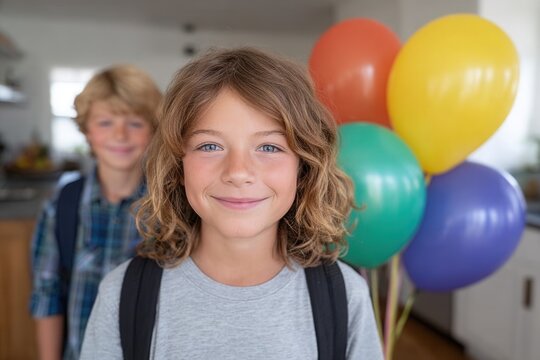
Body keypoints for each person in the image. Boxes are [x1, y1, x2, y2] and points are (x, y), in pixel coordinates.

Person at [80, 48, 384, 359]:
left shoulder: (344, 296)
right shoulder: (123, 295)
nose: (238, 172)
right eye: (210, 145)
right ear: (177, 166)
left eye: (268, 146)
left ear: (303, 168)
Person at [30, 64, 162, 360]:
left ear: (153, 131)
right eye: (105, 123)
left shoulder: (168, 207)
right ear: (86, 131)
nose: (120, 135)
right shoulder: (62, 205)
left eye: (135, 123)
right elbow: (46, 293)